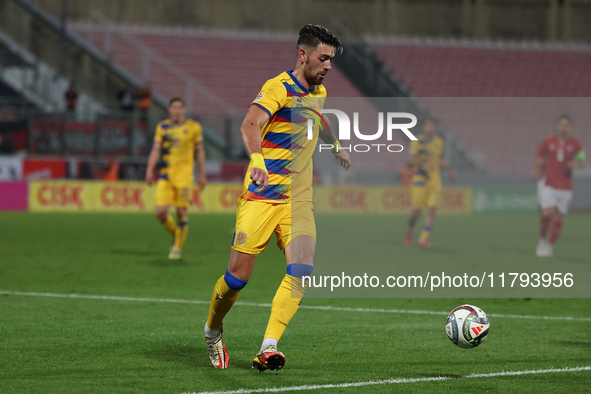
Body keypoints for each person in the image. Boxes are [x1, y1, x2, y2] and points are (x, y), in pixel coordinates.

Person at [203, 24, 350, 371]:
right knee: (236, 279)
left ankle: (269, 346)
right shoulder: (278, 87)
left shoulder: (318, 92)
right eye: (323, 58)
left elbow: (318, 119)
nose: (328, 66)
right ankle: (212, 331)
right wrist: (257, 161)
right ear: (303, 55)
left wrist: (336, 147)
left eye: (331, 60)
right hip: (262, 196)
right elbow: (250, 125)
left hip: (298, 199)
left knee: (301, 269)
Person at [145, 97, 207, 260]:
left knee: (181, 212)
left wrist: (202, 174)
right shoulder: (162, 127)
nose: (177, 110)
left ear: (184, 110)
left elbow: (199, 152)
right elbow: (156, 150)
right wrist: (149, 169)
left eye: (180, 107)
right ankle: (176, 233)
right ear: (169, 110)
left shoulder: (194, 127)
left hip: (185, 177)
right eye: (174, 107)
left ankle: (177, 248)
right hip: (165, 175)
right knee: (160, 212)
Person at [532, 114, 586, 257]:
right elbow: (538, 156)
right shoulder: (548, 141)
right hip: (550, 184)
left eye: (566, 124)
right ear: (558, 125)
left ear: (570, 127)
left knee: (559, 219)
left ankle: (550, 245)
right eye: (561, 124)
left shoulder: (575, 144)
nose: (564, 127)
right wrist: (537, 167)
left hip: (566, 187)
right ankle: (542, 240)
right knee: (546, 214)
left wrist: (577, 164)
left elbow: (583, 161)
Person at [404, 117, 457, 248]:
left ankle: (423, 239)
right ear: (423, 127)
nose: (430, 128)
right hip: (419, 180)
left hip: (434, 180)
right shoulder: (416, 141)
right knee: (416, 212)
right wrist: (424, 164)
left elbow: (440, 159)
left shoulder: (439, 142)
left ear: (435, 128)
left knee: (432, 209)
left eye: (432, 126)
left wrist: (450, 171)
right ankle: (409, 230)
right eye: (428, 125)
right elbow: (411, 160)